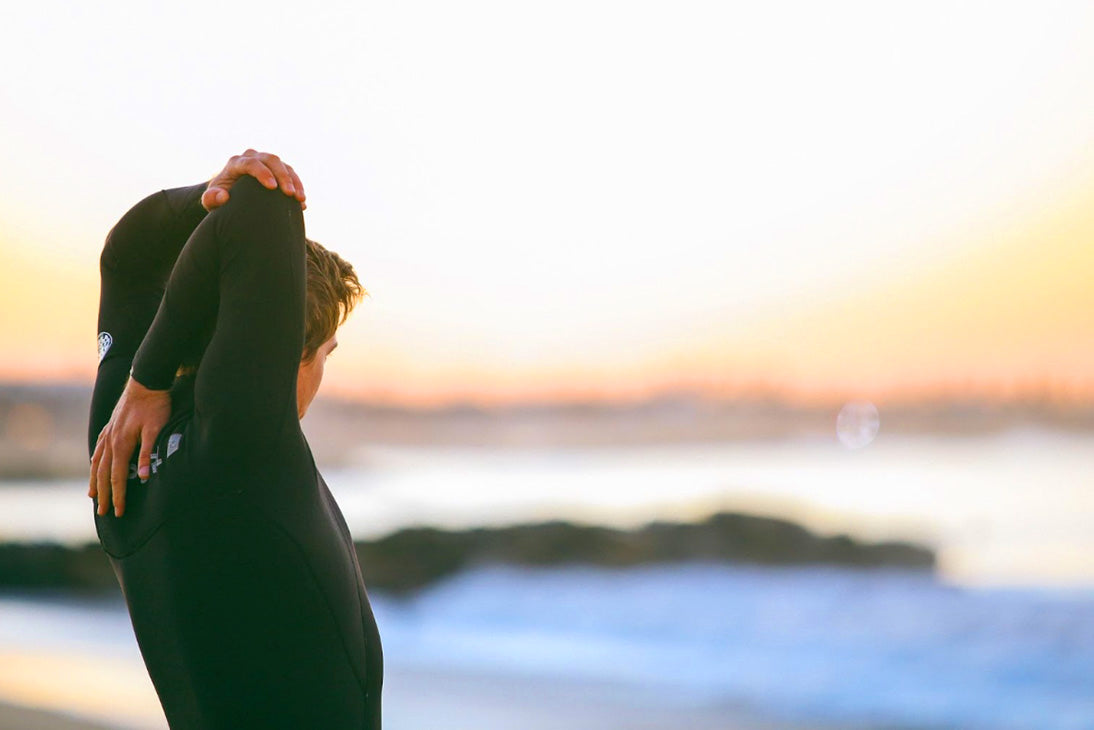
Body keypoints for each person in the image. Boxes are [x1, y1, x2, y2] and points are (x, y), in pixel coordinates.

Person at [87, 150, 383, 728]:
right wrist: (145, 379)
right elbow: (264, 203)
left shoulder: (118, 449)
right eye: (325, 354)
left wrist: (144, 382)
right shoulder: (241, 445)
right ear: (279, 352)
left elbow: (126, 254)